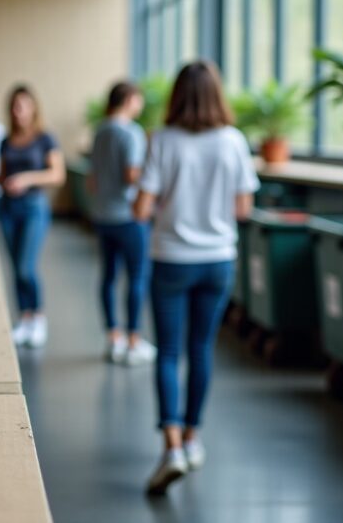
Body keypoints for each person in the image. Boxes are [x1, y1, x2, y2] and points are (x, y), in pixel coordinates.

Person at [132, 61, 259, 495]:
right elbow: (242, 210)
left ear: (177, 96)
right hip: (218, 260)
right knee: (201, 348)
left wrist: (168, 200)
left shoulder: (163, 141)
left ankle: (171, 449)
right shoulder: (234, 142)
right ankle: (193, 436)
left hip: (171, 259)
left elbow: (141, 209)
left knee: (168, 352)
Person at [89, 82, 154, 366]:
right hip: (129, 216)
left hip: (104, 215)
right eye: (138, 99)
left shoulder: (100, 131)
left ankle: (112, 337)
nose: (140, 105)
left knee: (109, 276)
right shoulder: (131, 132)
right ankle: (133, 341)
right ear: (129, 100)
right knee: (137, 277)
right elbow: (131, 174)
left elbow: (93, 177)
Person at [0, 85, 65, 348]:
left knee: (27, 266)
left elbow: (57, 175)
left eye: (23, 105)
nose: (18, 110)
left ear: (34, 107)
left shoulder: (45, 138)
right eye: (14, 106)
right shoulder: (5, 141)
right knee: (15, 267)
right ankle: (24, 318)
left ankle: (38, 317)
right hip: (8, 208)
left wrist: (26, 178)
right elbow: (2, 176)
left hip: (34, 207)